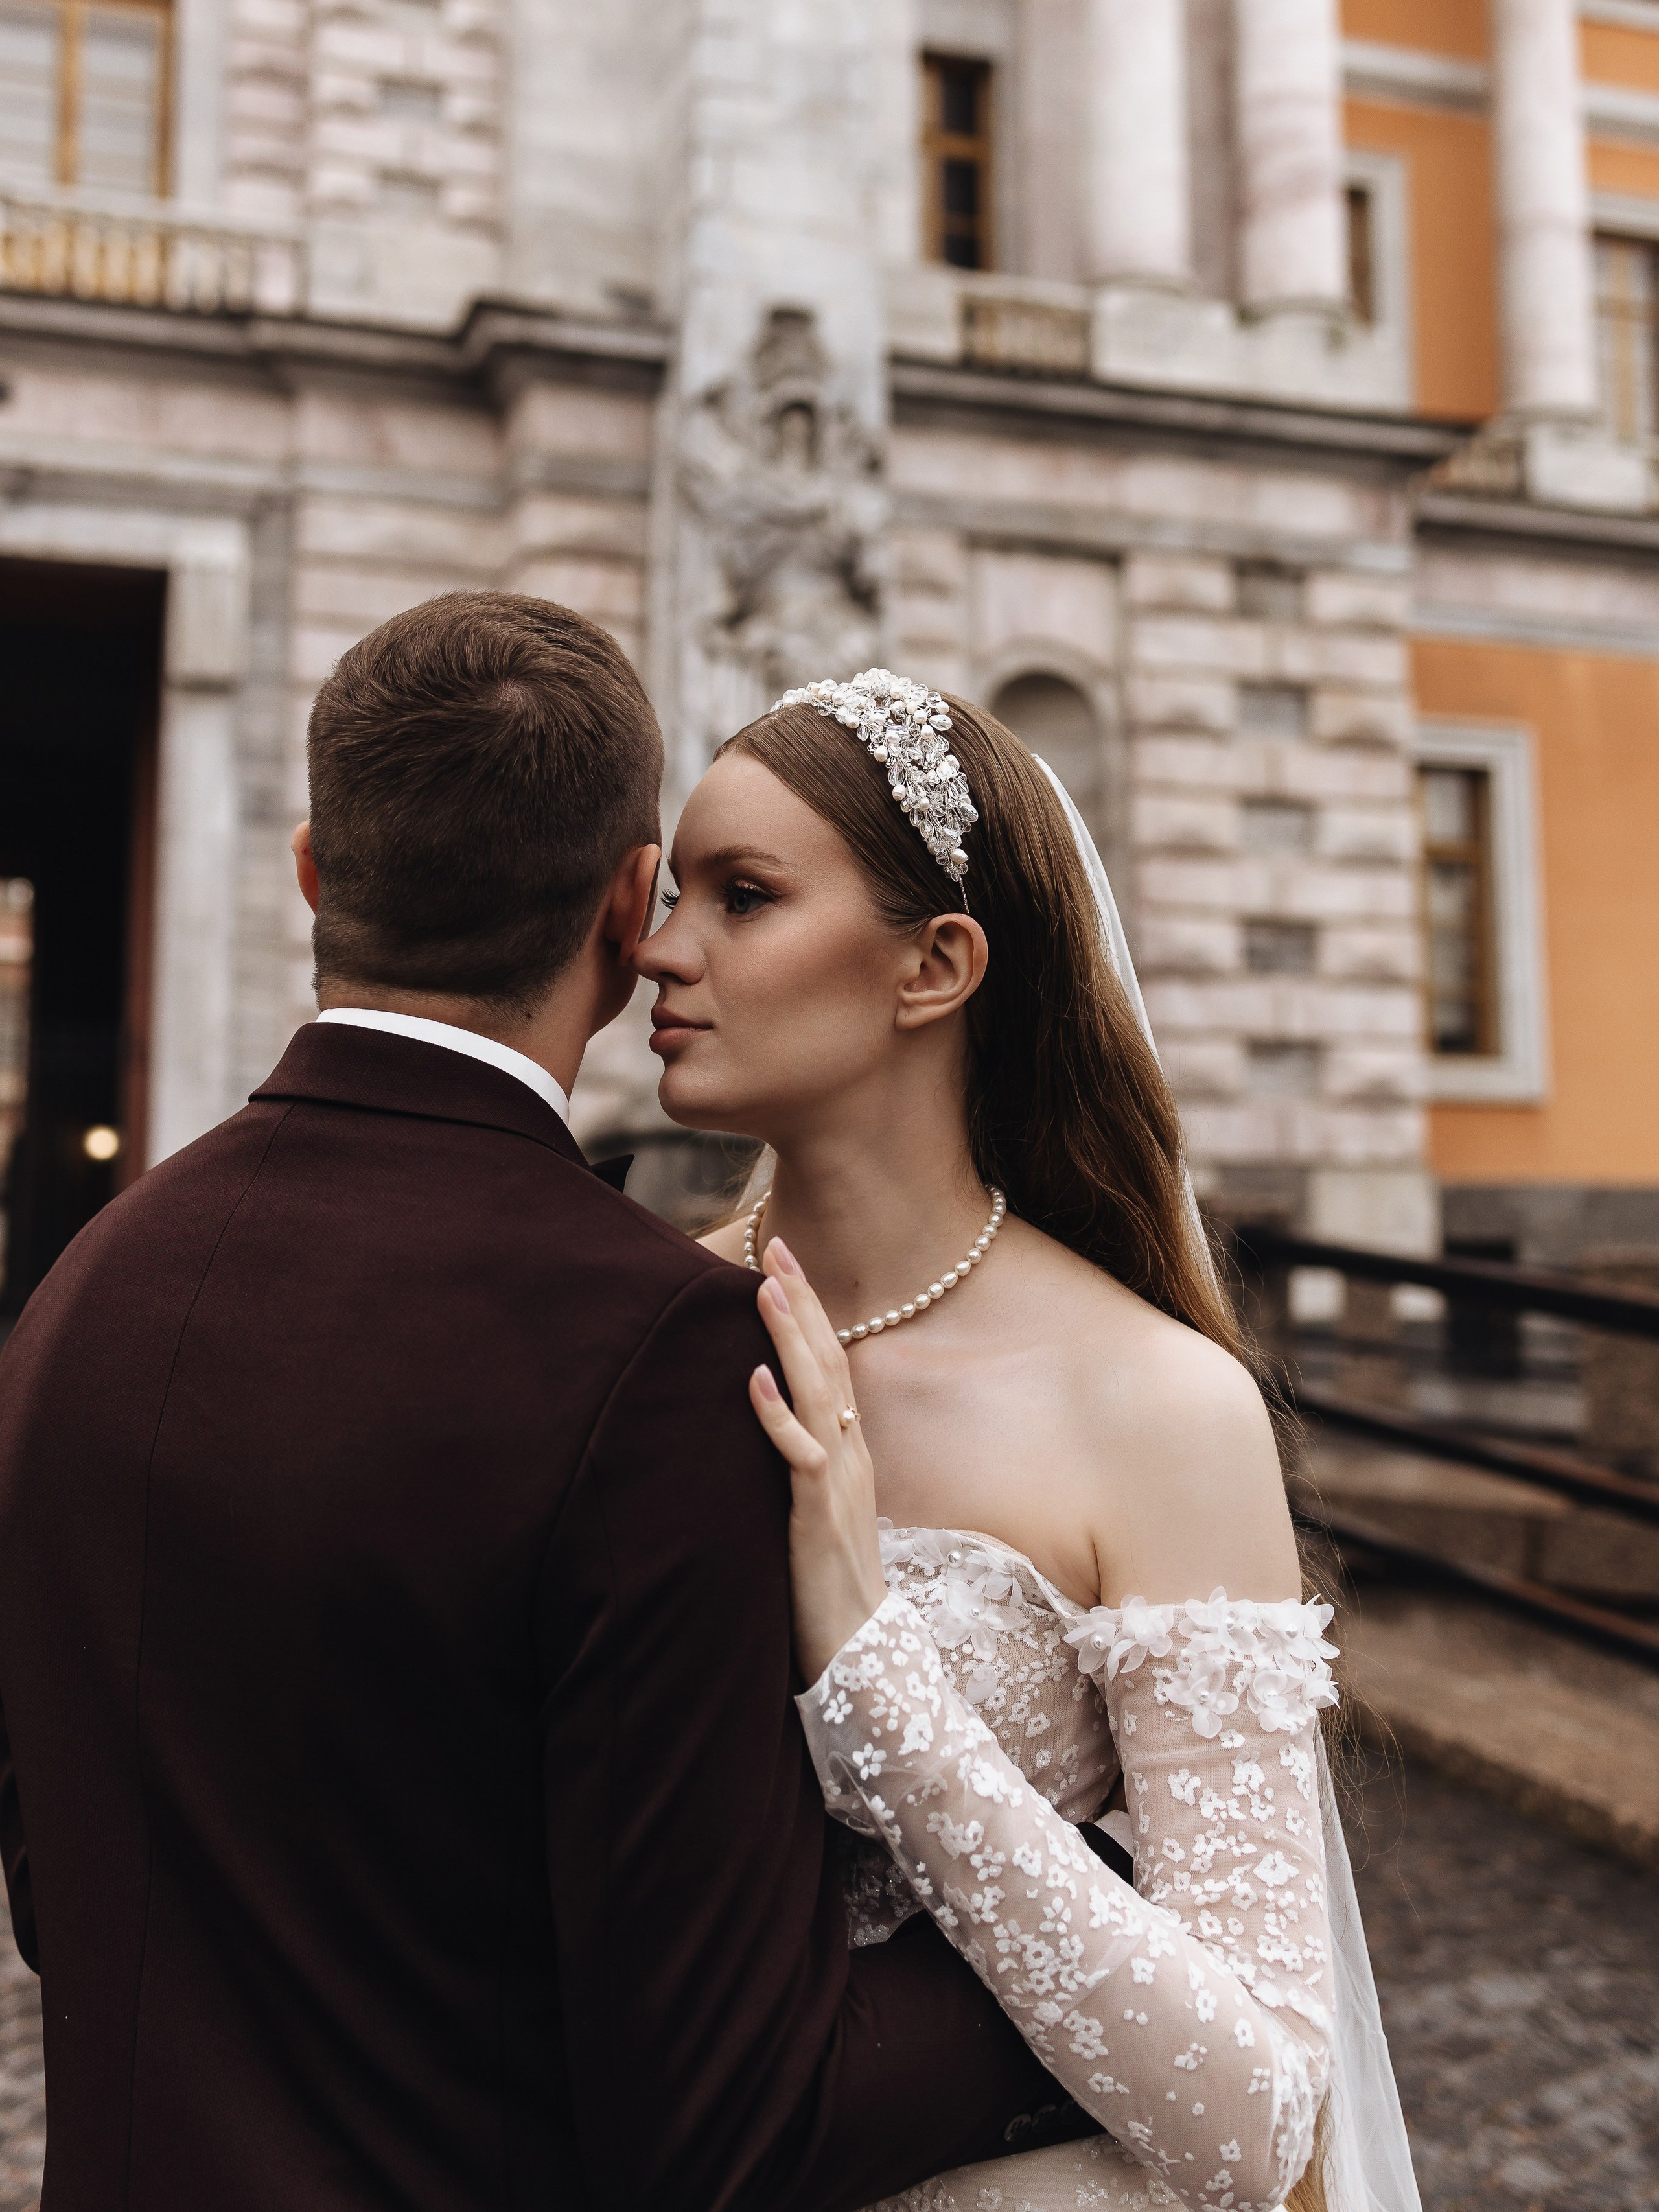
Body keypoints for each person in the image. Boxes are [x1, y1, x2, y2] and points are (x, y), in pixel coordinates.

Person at [0, 601, 1091, 2212]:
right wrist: (1093, 1920)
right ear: (627, 903)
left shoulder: (84, 1289)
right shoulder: (659, 1352)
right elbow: (731, 2115)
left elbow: (56, 1885)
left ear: (313, 869)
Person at [636, 669, 1421, 2212]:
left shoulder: (1155, 1408)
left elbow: (1262, 2127)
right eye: (670, 895)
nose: (660, 951)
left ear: (934, 965)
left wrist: (871, 1667)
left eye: (740, 897)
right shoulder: (637, 1337)